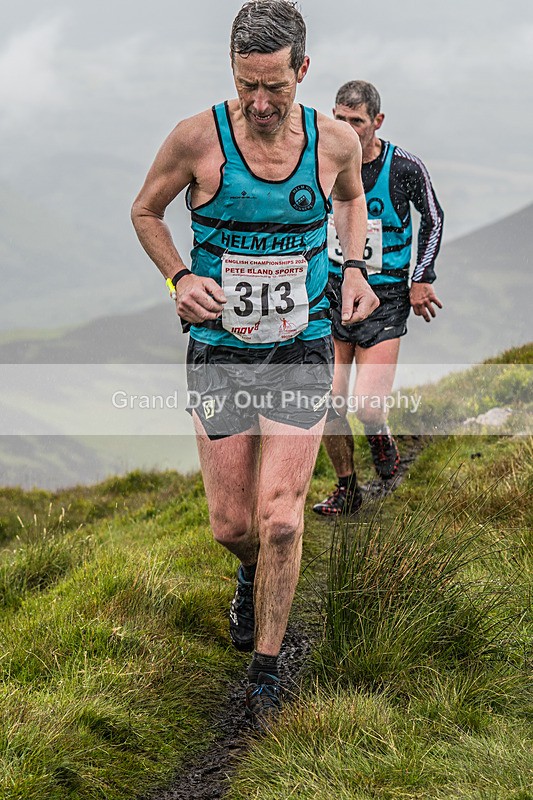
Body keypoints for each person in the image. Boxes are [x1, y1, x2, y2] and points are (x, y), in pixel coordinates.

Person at [131, 1, 378, 727]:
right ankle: (248, 576)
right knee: (232, 525)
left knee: (279, 520)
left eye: (275, 86)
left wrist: (354, 267)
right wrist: (180, 278)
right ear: (232, 73)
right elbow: (145, 211)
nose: (261, 104)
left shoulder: (332, 141)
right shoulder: (195, 138)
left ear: (303, 70)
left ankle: (266, 674)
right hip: (220, 352)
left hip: (299, 349)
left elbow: (353, 198)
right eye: (247, 87)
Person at [312, 80, 444, 517]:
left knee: (367, 406)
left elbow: (434, 217)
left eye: (357, 121)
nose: (346, 129)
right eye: (340, 119)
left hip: (385, 295)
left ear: (377, 122)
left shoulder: (403, 167)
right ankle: (347, 486)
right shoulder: (322, 160)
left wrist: (421, 276)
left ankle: (379, 434)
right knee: (327, 399)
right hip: (332, 292)